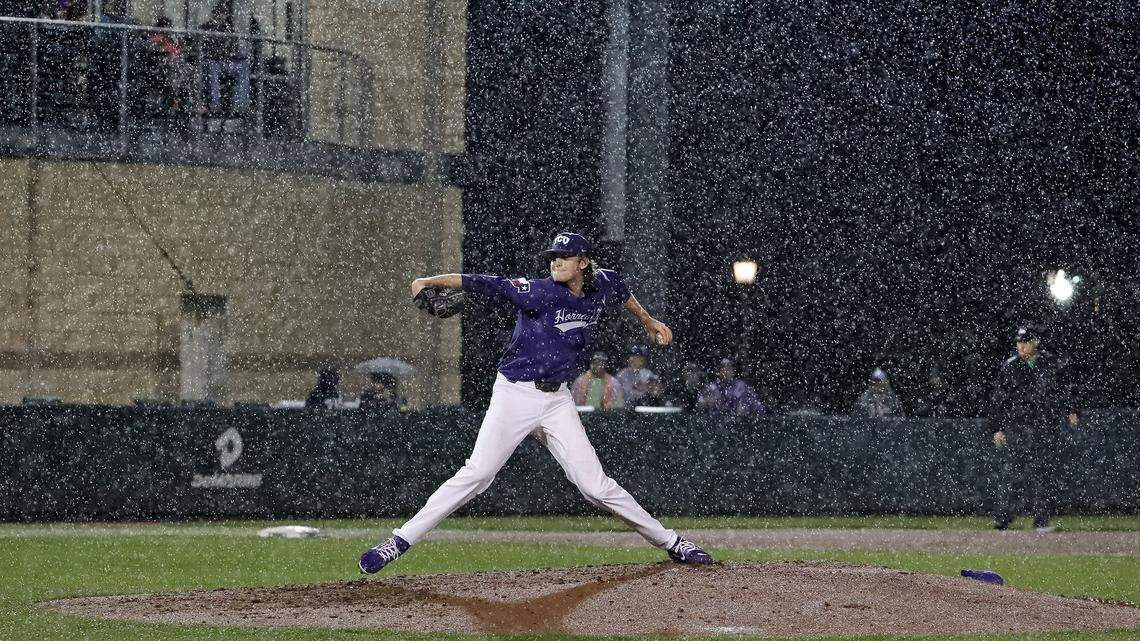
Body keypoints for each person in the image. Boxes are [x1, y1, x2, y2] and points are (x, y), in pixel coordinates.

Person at [358, 231, 713, 573]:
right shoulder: (540, 292)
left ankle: (671, 542)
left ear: (584, 263)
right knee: (478, 473)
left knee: (595, 486)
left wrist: (648, 321)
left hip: (556, 399)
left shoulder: (603, 281)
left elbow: (622, 292)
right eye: (552, 257)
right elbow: (485, 281)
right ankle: (398, 541)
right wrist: (427, 281)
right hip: (516, 393)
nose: (555, 262)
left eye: (564, 257)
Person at [989, 325, 1079, 532]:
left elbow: (1063, 389)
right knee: (1013, 474)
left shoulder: (1050, 363)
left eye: (1025, 341)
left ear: (1035, 342)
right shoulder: (1010, 366)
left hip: (1044, 427)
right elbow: (999, 400)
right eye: (1019, 342)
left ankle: (1041, 521)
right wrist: (997, 428)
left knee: (1043, 475)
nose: (1021, 346)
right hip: (1018, 428)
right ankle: (1003, 521)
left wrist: (1071, 410)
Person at [697, 357, 766, 416]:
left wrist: (747, 408)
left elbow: (760, 407)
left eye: (729, 368)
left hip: (739, 425)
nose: (726, 371)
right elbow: (698, 405)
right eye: (723, 368)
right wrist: (706, 403)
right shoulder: (712, 387)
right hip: (716, 426)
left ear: (733, 371)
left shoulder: (741, 386)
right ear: (718, 371)